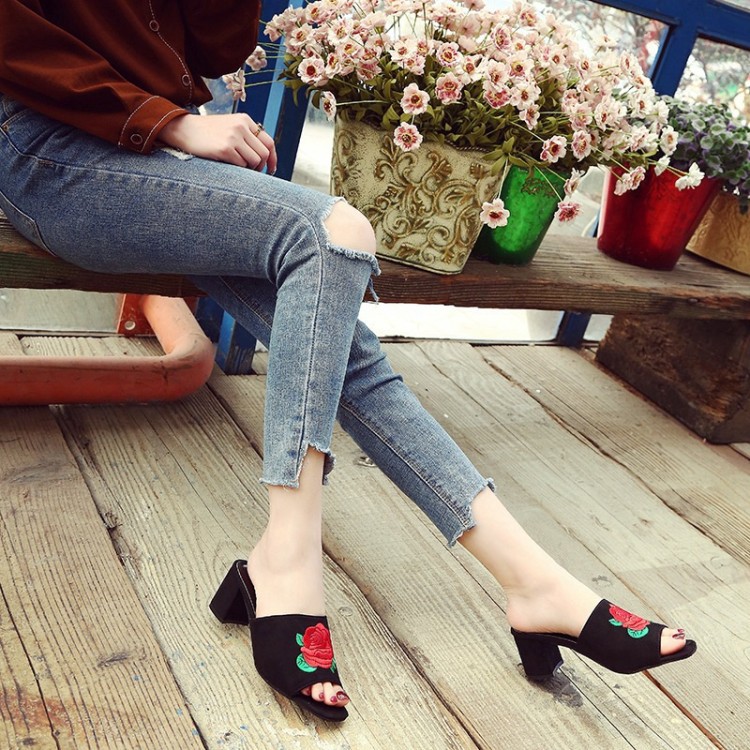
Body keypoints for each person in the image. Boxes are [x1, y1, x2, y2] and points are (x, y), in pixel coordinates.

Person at [0, 0, 695, 723]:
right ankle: (288, 557)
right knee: (330, 232)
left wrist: (175, 123)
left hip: (156, 155)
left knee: (343, 353)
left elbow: (215, 45)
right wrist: (170, 121)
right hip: (49, 148)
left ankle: (534, 583)